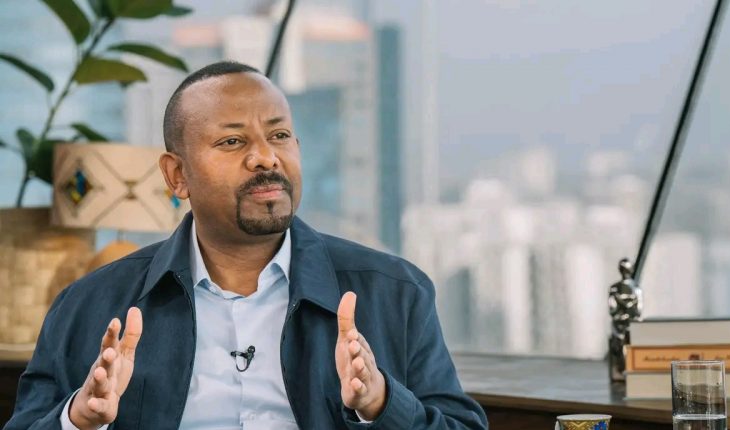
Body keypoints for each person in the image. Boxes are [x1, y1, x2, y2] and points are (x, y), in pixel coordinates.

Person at [5, 61, 488, 430]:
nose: (265, 157)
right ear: (177, 175)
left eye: (279, 135)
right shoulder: (90, 305)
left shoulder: (395, 293)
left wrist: (381, 402)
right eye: (232, 142)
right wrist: (78, 420)